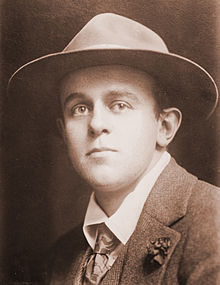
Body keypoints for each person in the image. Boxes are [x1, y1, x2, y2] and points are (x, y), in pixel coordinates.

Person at [7, 13, 220, 285]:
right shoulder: (61, 258)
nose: (96, 124)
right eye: (79, 109)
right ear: (63, 130)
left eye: (120, 105)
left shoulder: (212, 225)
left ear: (164, 126)